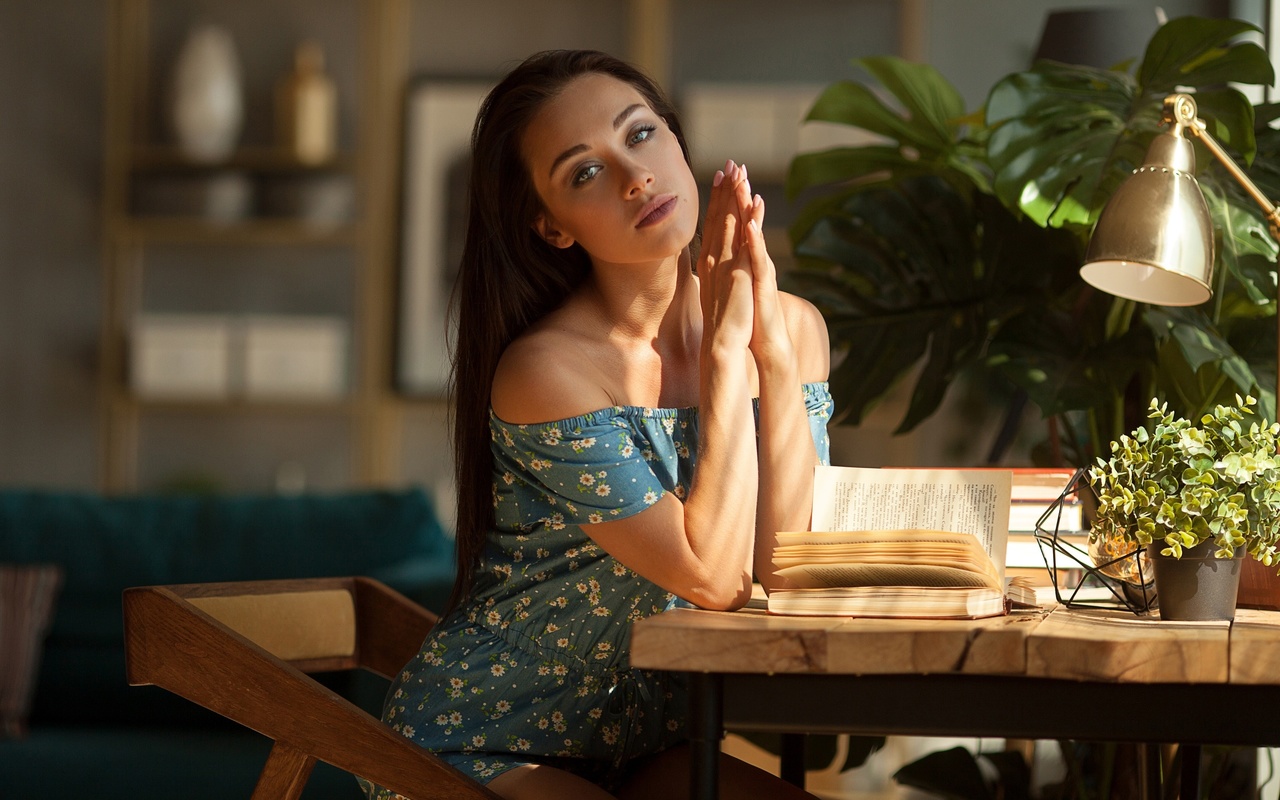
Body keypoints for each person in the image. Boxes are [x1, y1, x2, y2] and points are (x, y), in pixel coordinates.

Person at [366, 49, 832, 800]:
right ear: (552, 228)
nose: (634, 177)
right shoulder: (549, 373)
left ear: (678, 142)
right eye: (585, 173)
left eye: (641, 135)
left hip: (645, 744)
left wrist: (770, 353)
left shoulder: (796, 328)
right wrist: (722, 352)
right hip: (475, 743)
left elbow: (786, 567)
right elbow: (715, 579)